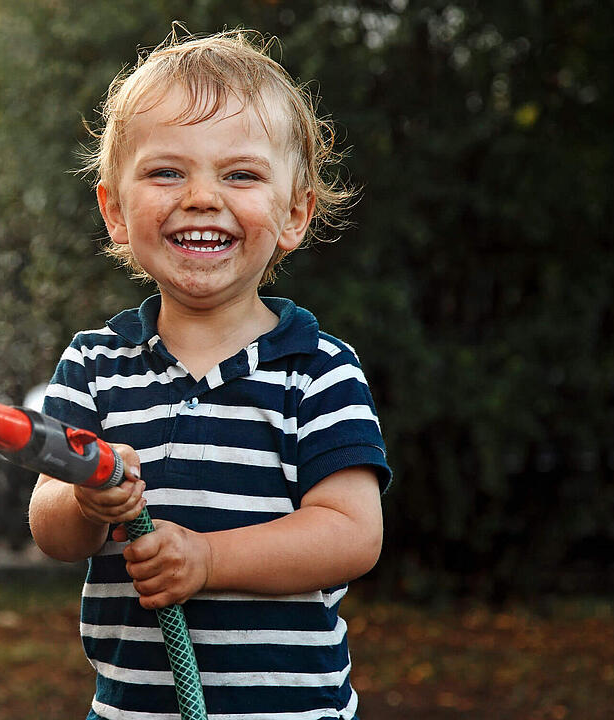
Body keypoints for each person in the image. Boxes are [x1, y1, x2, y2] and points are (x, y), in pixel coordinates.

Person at [28, 29, 391, 720]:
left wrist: (208, 560)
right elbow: (51, 527)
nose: (200, 196)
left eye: (241, 174)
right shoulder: (94, 366)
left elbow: (352, 533)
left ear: (294, 214)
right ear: (115, 213)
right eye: (167, 172)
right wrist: (85, 498)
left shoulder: (317, 371)